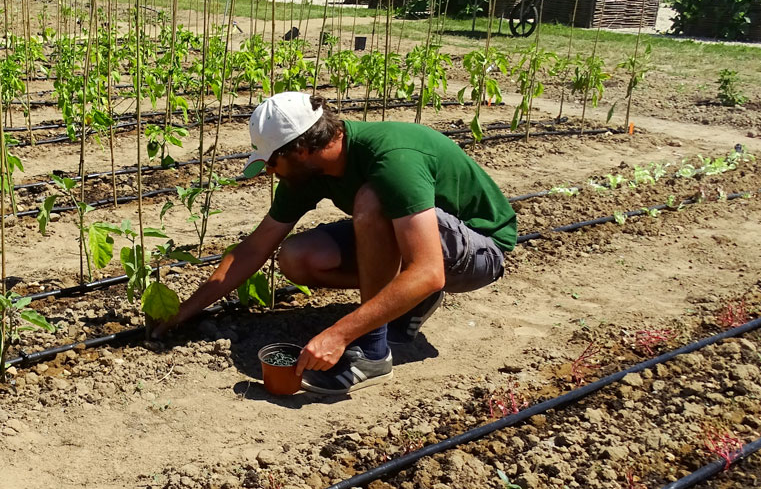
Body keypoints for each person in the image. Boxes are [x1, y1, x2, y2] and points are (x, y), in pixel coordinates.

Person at [154, 92, 517, 395]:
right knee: (298, 258)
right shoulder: (309, 172)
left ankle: (373, 354)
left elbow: (429, 270)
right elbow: (255, 248)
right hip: (420, 241)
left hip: (479, 251)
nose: (268, 171)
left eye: (271, 161)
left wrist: (339, 334)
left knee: (371, 201)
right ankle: (404, 300)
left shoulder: (392, 158)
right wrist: (188, 308)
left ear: (300, 150)